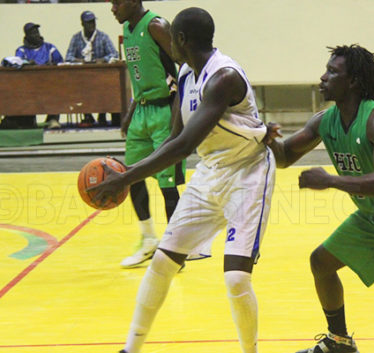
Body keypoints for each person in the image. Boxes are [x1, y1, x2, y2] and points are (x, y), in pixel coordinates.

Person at [91, 6, 274, 353]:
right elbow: (175, 139)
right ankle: (129, 349)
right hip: (210, 172)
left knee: (236, 278)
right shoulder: (188, 73)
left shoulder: (224, 77)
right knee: (162, 263)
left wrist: (125, 178)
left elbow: (185, 145)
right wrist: (130, 172)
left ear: (181, 39)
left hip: (247, 174)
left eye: (171, 38)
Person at [264, 44, 374, 353]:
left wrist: (330, 180)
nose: (323, 77)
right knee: (321, 262)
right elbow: (284, 157)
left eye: (332, 72)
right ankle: (339, 343)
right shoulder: (325, 120)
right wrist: (261, 135)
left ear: (353, 82)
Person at [110, 0, 186, 269]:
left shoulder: (156, 26)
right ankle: (148, 241)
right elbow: (141, 76)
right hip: (141, 112)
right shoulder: (129, 30)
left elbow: (183, 69)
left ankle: (176, 253)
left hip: (164, 112)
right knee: (132, 176)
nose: (113, 9)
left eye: (116, 3)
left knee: (167, 186)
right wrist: (131, 110)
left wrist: (180, 115)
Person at [66, 10, 120, 127]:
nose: (91, 25)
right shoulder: (76, 38)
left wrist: (102, 60)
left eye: (93, 22)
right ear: (82, 24)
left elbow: (114, 54)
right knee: (80, 86)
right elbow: (68, 57)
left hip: (101, 76)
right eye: (88, 22)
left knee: (106, 85)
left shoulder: (103, 37)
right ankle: (87, 115)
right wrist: (80, 61)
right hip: (82, 78)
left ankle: (103, 113)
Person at [15, 22, 64, 129]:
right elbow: (17, 62)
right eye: (33, 33)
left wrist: (52, 65)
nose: (36, 34)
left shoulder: (50, 48)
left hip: (49, 84)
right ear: (27, 36)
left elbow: (61, 63)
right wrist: (27, 63)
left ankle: (53, 119)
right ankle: (29, 121)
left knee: (58, 89)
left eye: (37, 31)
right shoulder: (22, 50)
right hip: (29, 85)